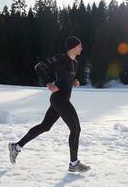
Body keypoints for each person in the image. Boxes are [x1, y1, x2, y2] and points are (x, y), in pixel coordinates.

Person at [8, 36, 90, 173]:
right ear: (74, 47)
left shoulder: (75, 63)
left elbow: (68, 77)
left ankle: (16, 147)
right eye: (80, 45)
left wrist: (74, 82)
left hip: (62, 100)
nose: (81, 48)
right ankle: (73, 163)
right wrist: (48, 83)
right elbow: (39, 67)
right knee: (76, 128)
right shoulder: (59, 58)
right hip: (59, 99)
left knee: (45, 126)